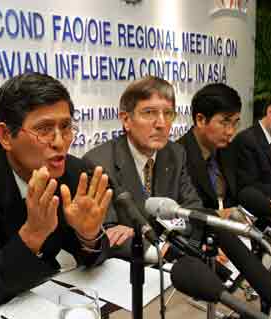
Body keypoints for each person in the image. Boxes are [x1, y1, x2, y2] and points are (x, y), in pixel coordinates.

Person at [0, 73, 112, 307]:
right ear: (6, 135)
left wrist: (88, 236)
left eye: (66, 126)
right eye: (44, 129)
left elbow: (90, 258)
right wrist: (33, 234)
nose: (60, 142)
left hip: (44, 300)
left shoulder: (73, 173)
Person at [82, 76, 202, 251]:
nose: (161, 123)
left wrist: (164, 238)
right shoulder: (98, 163)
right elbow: (107, 235)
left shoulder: (175, 153)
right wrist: (161, 250)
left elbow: (193, 213)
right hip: (130, 268)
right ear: (126, 120)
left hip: (174, 258)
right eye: (149, 113)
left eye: (168, 113)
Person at [177, 83, 241, 217]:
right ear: (200, 120)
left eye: (235, 123)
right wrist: (221, 216)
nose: (231, 131)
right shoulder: (177, 155)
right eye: (224, 122)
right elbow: (184, 213)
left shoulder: (229, 150)